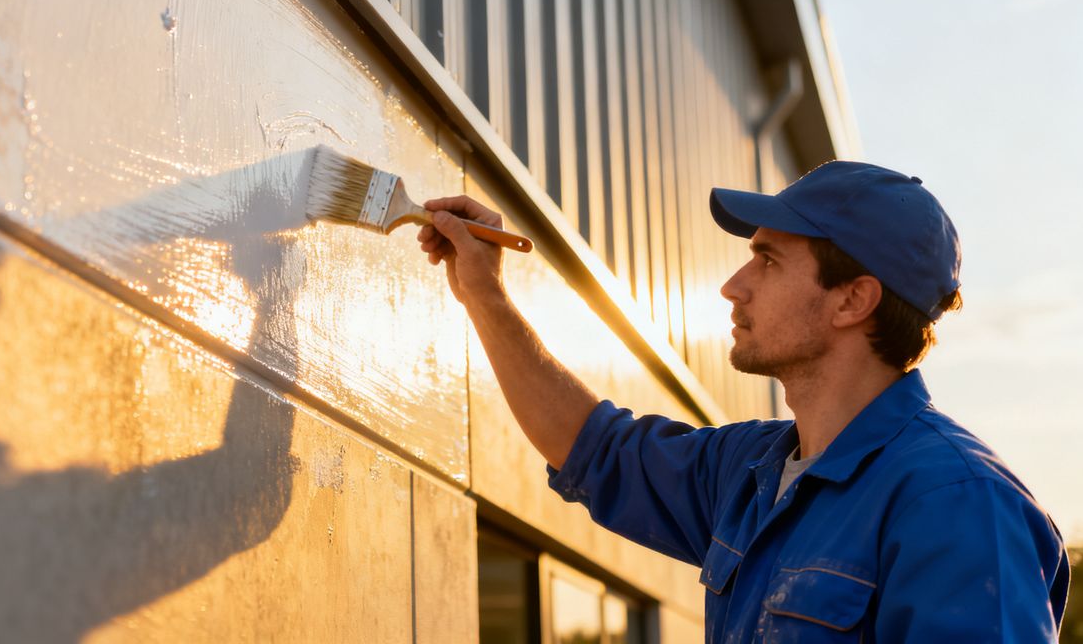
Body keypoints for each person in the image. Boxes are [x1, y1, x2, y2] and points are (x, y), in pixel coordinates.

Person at [416, 160, 1070, 641]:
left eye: (767, 261)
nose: (733, 285)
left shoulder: (957, 505)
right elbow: (595, 449)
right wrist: (485, 296)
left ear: (853, 299)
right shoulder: (751, 471)